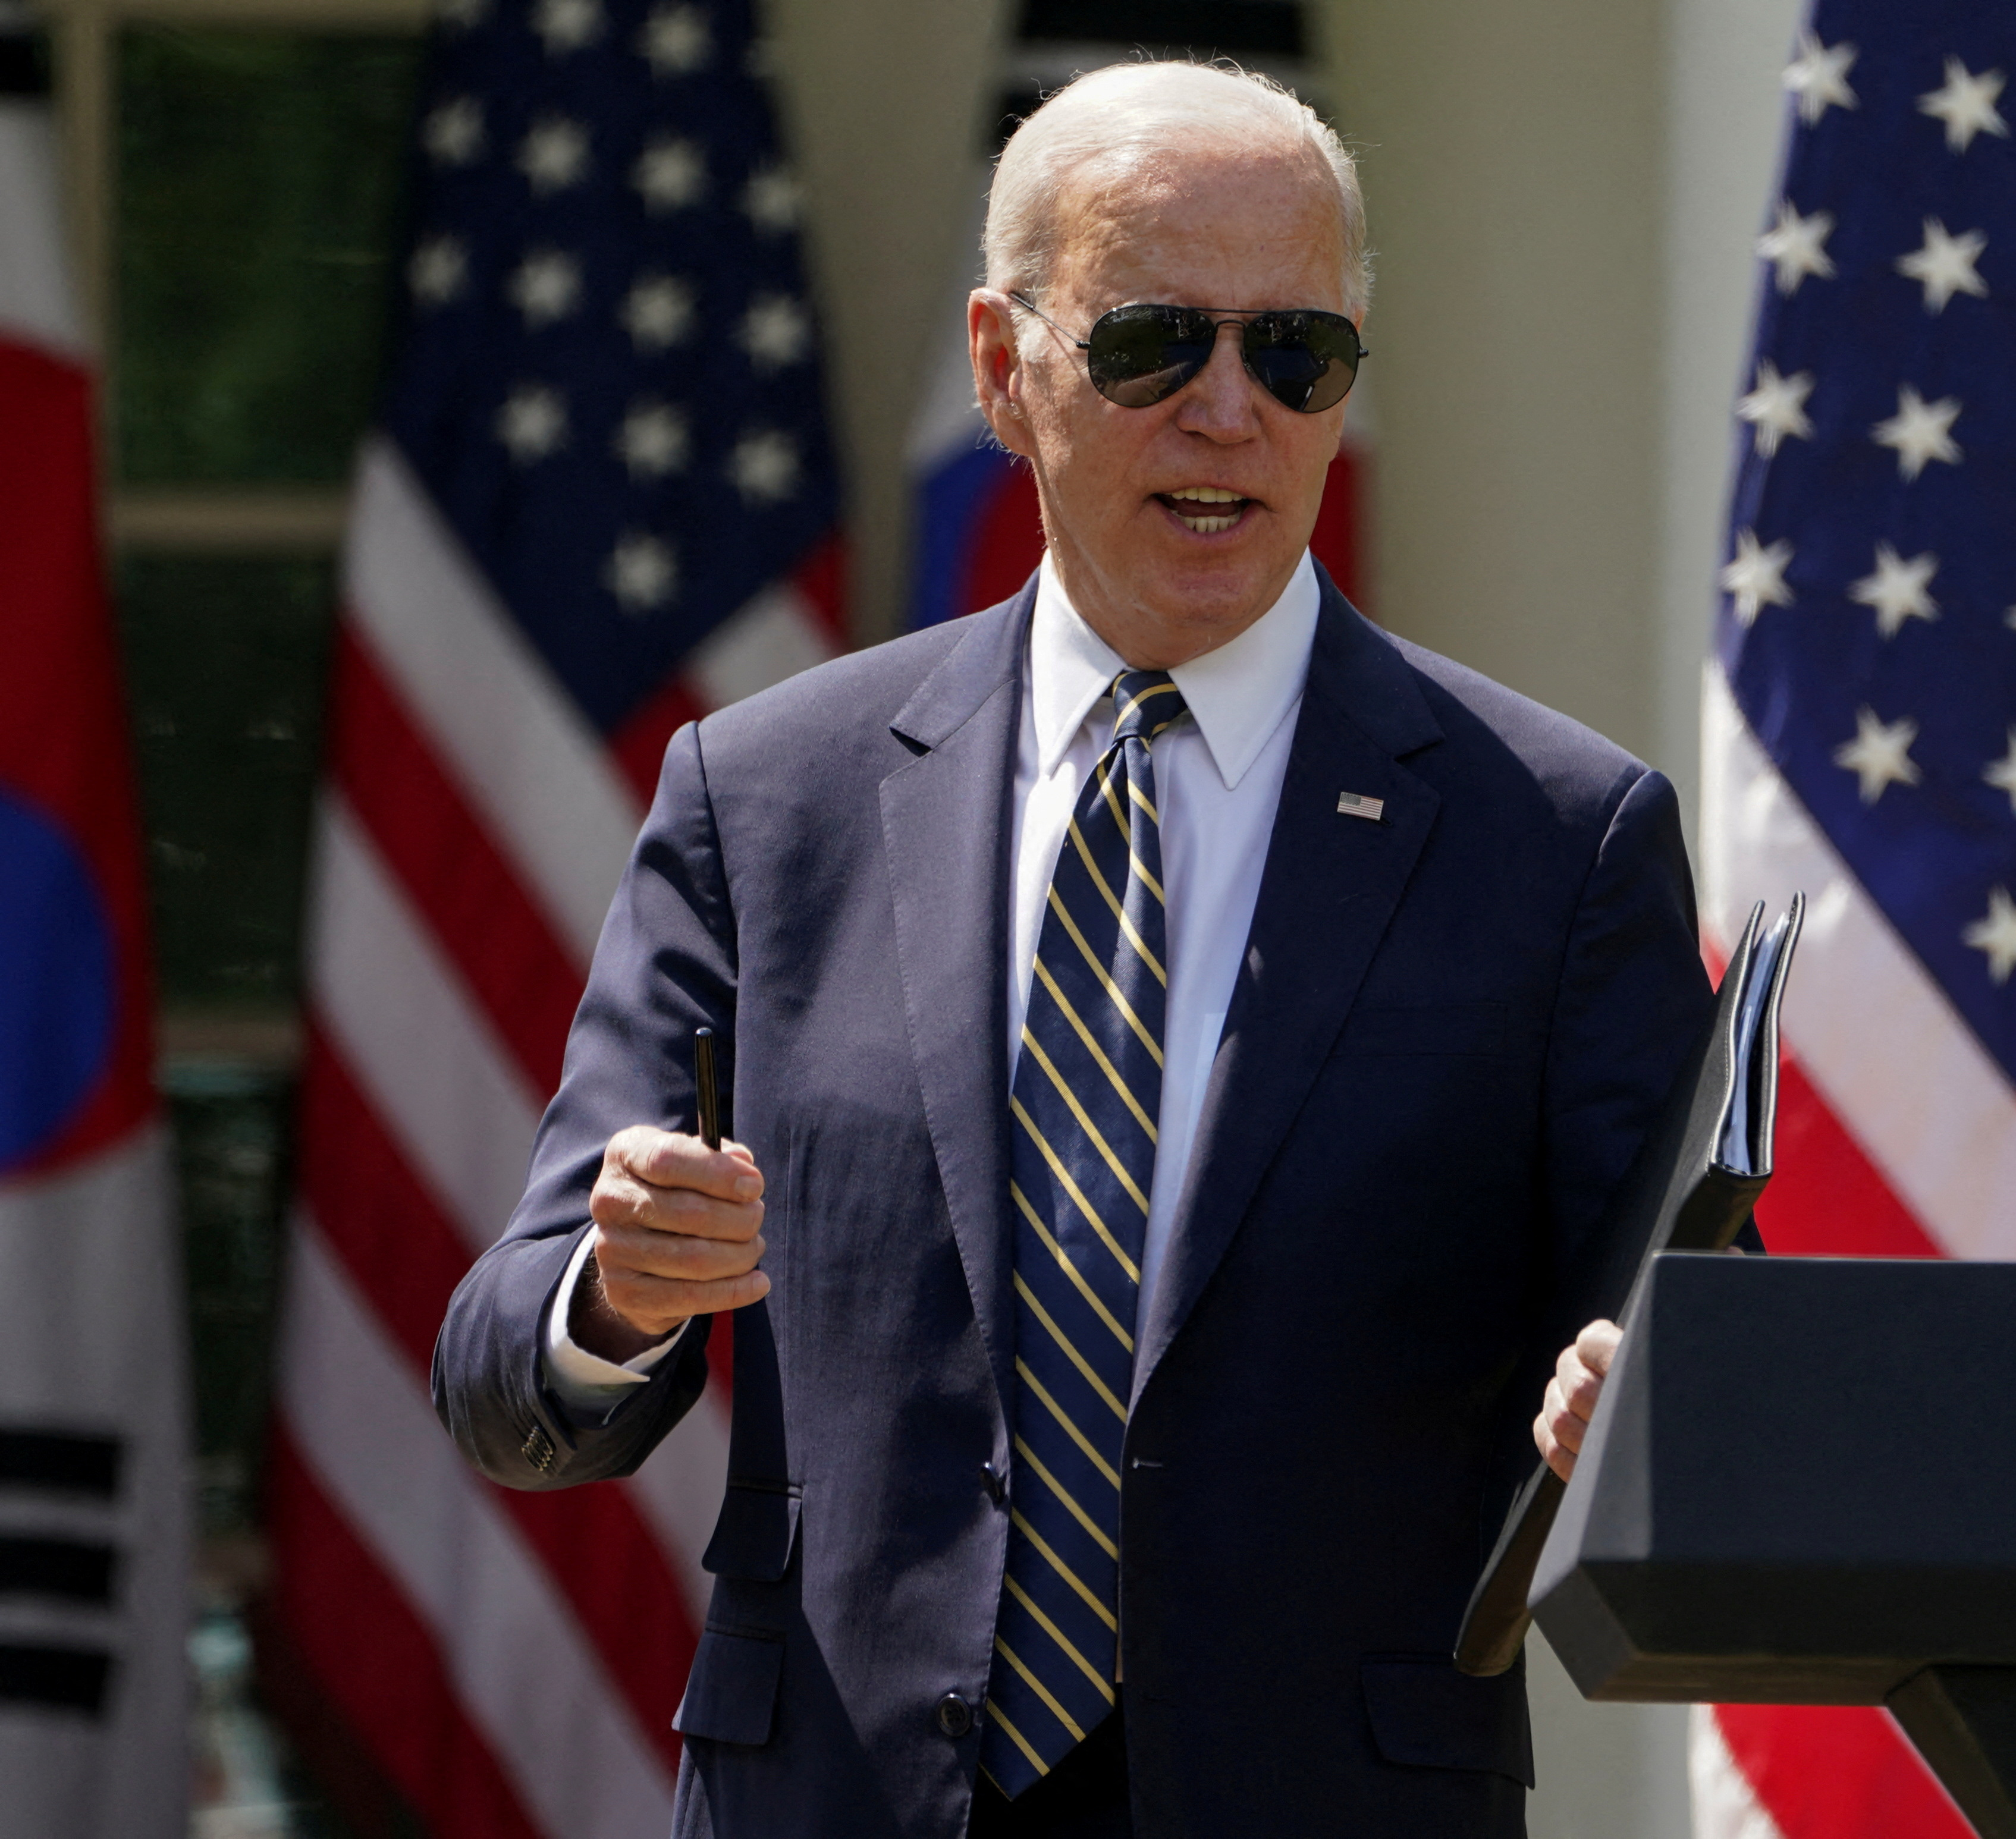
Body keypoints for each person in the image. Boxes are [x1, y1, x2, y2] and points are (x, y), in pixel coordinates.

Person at [434, 59, 1706, 1839]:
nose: (1226, 414)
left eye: (1296, 356)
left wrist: (1637, 1425)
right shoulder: (768, 799)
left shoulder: (1559, 841)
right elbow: (507, 1381)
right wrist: (620, 1293)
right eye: (1150, 345)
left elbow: (1688, 1376)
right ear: (999, 365)